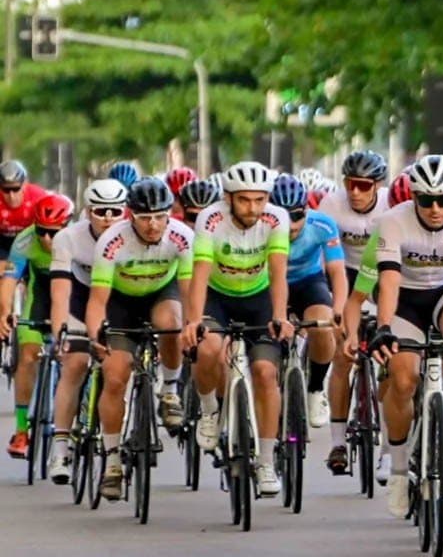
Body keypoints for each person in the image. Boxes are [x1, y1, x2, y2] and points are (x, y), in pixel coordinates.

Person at [346, 154, 443, 518]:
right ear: (413, 198)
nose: (435, 209)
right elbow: (387, 280)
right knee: (403, 379)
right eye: (425, 200)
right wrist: (384, 326)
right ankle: (400, 470)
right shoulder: (392, 221)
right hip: (406, 300)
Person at [181, 161, 294, 497]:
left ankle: (266, 462)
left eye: (260, 200)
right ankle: (209, 410)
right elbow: (199, 272)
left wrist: (279, 315)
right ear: (228, 198)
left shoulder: (276, 218)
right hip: (218, 297)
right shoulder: (210, 218)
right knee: (209, 349)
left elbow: (278, 273)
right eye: (245, 200)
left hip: (258, 298)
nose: (253, 208)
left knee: (264, 372)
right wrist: (194, 320)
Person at [87, 179, 194, 499]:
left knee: (173, 323)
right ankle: (113, 461)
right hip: (121, 302)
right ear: (130, 215)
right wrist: (96, 335)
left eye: (160, 216)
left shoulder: (182, 237)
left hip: (162, 292)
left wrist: (193, 325)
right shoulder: (111, 241)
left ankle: (170, 390)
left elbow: (190, 293)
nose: (153, 225)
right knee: (116, 376)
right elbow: (96, 300)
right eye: (145, 217)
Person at [46, 179, 128, 482]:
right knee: (75, 363)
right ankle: (60, 450)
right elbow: (60, 293)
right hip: (80, 301)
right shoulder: (69, 238)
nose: (108, 217)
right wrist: (61, 333)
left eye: (115, 210)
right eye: (100, 210)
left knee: (119, 365)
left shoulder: (131, 237)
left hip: (117, 302)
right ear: (87, 211)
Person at [320, 150, 390, 474]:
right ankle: (337, 441)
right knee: (342, 355)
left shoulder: (391, 206)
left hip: (382, 271)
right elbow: (323, 257)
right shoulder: (331, 206)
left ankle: (391, 440)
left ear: (377, 185)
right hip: (343, 273)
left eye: (363, 185)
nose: (356, 192)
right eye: (350, 184)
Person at [270, 172, 346, 428]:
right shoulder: (261, 229)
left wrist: (338, 309)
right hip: (268, 282)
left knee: (323, 327)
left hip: (308, 282)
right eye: (282, 217)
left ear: (307, 209)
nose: (291, 225)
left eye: (297, 216)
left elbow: (336, 271)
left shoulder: (323, 225)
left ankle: (315, 389)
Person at [0, 194, 73, 458]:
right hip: (39, 300)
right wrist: (4, 313)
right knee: (28, 357)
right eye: (41, 231)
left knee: (75, 358)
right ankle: (21, 431)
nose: (46, 239)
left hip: (71, 300)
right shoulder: (25, 240)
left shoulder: (79, 241)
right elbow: (8, 282)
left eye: (54, 233)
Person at [0, 159, 50, 266]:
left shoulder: (39, 197)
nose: (11, 196)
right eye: (6, 190)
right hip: (3, 242)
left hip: (31, 241)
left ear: (24, 185)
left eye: (16, 189)